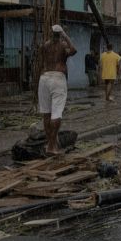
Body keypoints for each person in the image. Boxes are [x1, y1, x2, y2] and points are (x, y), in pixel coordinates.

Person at [38, 24, 77, 156]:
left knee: (46, 113)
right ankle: (51, 146)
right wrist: (65, 35)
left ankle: (52, 144)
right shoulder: (63, 45)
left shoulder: (45, 45)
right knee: (56, 113)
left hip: (44, 78)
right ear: (60, 34)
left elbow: (42, 61)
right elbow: (73, 50)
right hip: (57, 78)